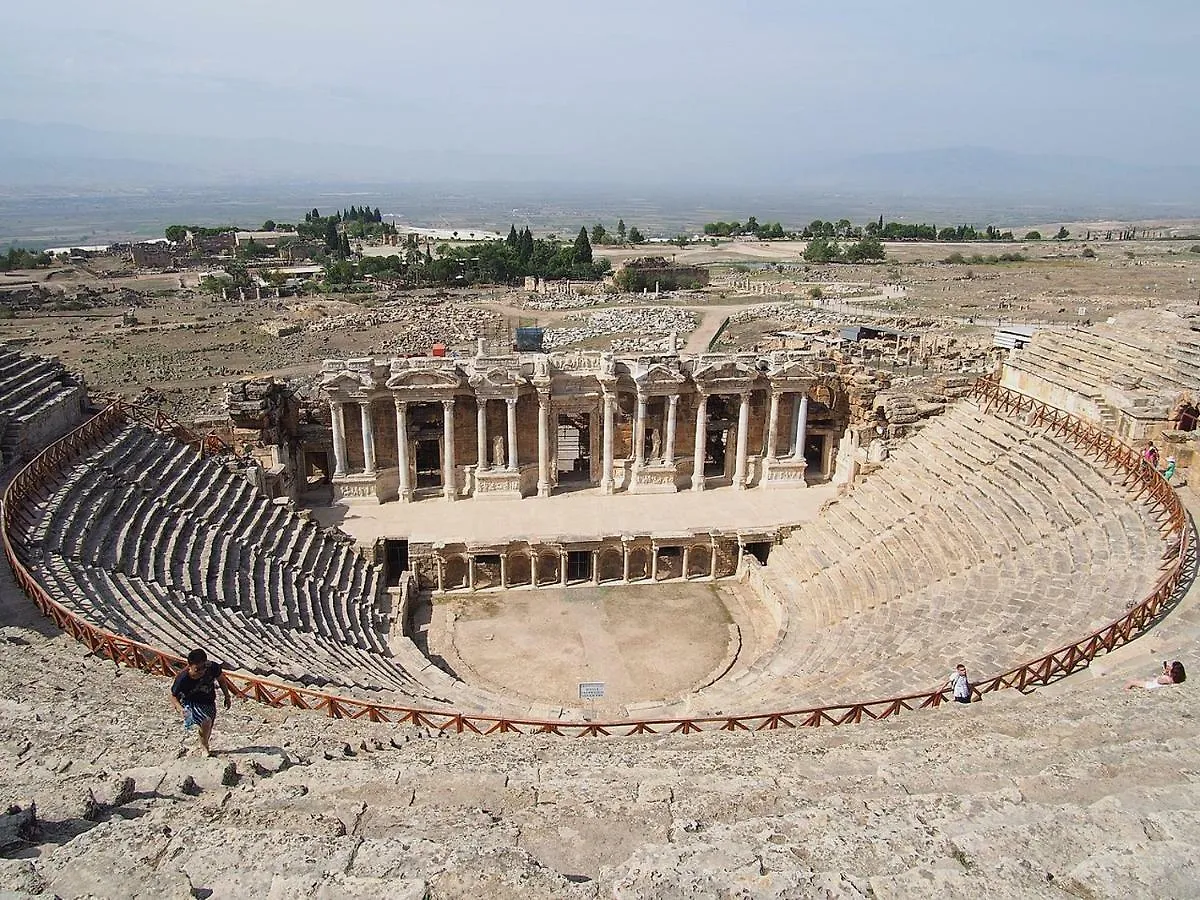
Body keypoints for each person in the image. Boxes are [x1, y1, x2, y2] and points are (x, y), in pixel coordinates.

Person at [170, 649, 231, 756]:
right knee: (206, 721)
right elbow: (173, 696)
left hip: (209, 701)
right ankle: (204, 746)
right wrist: (181, 709)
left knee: (208, 726)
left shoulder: (212, 667)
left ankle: (203, 741)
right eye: (197, 669)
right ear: (190, 665)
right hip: (190, 702)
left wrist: (227, 696)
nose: (202, 671)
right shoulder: (183, 678)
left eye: (203, 667)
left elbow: (221, 680)